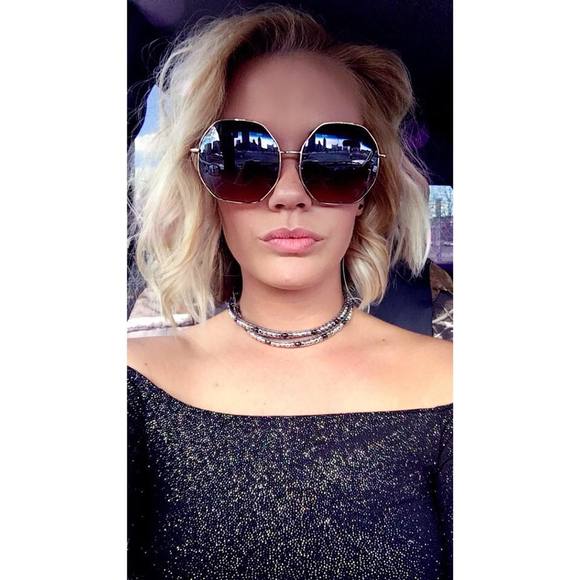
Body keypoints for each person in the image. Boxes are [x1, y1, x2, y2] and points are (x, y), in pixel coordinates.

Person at [127, 5, 453, 579]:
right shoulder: (132, 380)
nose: (288, 193)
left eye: (335, 158)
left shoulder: (458, 382)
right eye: (243, 156)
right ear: (203, 183)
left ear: (369, 190)